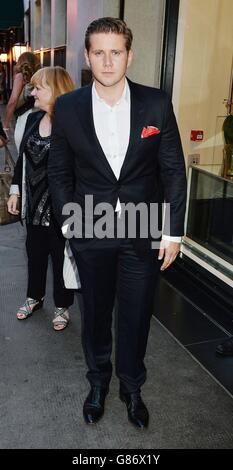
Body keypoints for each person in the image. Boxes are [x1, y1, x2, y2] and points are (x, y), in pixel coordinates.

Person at [48, 18, 187, 427]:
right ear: (87, 56)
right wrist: (71, 225)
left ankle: (131, 387)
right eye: (99, 52)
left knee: (137, 313)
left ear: (130, 54)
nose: (108, 61)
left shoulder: (156, 103)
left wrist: (172, 231)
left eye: (116, 52)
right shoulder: (69, 106)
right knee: (95, 313)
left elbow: (174, 171)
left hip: (143, 229)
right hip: (90, 226)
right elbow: (59, 172)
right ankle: (98, 382)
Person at [7, 66, 75, 331]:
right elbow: (22, 160)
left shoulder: (71, 125)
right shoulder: (32, 120)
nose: (32, 92)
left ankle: (62, 305)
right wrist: (16, 191)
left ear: (56, 90)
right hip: (33, 203)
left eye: (38, 88)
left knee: (61, 257)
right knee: (33, 254)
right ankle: (34, 297)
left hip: (60, 208)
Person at [3, 52, 40, 151]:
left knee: (23, 153)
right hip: (39, 116)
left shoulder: (20, 76)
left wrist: (5, 126)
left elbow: (12, 101)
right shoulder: (40, 75)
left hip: (24, 117)